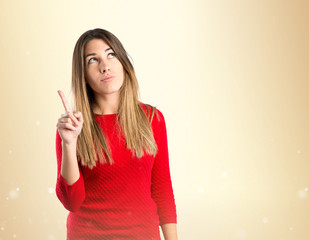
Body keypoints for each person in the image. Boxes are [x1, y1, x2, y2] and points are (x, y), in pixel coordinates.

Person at [55, 28, 178, 240]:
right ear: (83, 75)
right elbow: (72, 202)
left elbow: (162, 190)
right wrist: (69, 142)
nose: (105, 66)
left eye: (111, 54)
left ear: (123, 63)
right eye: (93, 60)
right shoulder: (72, 127)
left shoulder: (152, 119)